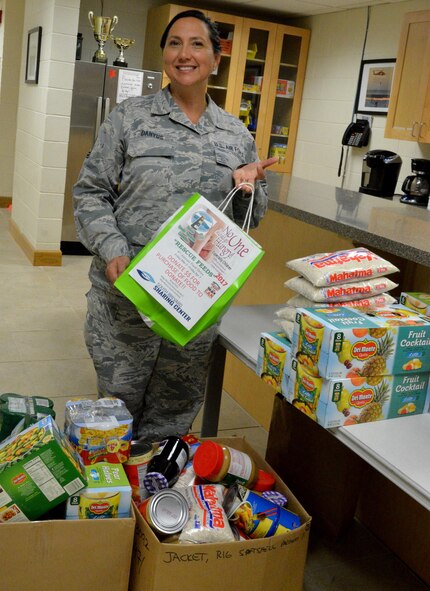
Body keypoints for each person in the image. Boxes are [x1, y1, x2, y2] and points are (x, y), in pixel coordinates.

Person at [73, 9, 277, 443]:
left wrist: (248, 188)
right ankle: (118, 504)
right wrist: (114, 250)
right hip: (128, 299)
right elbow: (90, 193)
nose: (185, 54)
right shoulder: (130, 118)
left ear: (216, 58)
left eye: (197, 44)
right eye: (174, 43)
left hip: (193, 307)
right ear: (164, 53)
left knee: (174, 417)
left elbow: (250, 220)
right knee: (115, 417)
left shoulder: (235, 135)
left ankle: (160, 503)